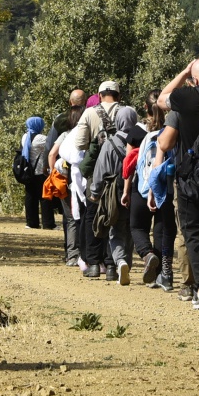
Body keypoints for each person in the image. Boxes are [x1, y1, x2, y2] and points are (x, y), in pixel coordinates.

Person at [150, 58, 199, 308]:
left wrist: (182, 73)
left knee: (192, 231)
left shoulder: (189, 97)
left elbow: (162, 99)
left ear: (195, 77)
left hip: (191, 173)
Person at [72, 81, 127, 279]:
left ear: (99, 94)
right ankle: (112, 266)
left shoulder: (89, 113)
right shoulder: (127, 112)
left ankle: (94, 264)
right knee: (117, 216)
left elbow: (79, 144)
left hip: (96, 171)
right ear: (118, 96)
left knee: (93, 215)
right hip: (121, 172)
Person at [129, 98, 175, 289]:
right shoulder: (173, 132)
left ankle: (148, 255)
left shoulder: (139, 133)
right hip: (167, 186)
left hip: (143, 186)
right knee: (162, 228)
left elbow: (132, 162)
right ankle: (162, 273)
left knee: (137, 226)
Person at [59, 90, 86, 265]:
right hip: (84, 178)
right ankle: (84, 253)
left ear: (70, 102)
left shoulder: (61, 126)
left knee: (70, 217)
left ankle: (72, 254)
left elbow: (51, 151)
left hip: (67, 177)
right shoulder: (88, 125)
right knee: (84, 215)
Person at [20, 116, 54, 229]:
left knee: (30, 197)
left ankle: (31, 223)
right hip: (40, 171)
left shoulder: (25, 137)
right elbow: (52, 143)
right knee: (45, 197)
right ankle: (48, 223)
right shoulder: (40, 138)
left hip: (28, 172)